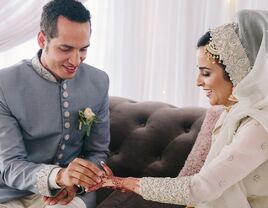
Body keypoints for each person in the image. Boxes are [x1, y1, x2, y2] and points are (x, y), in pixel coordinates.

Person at [93, 9, 268, 208]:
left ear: (238, 73)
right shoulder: (233, 112)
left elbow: (200, 187)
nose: (198, 82)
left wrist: (122, 182)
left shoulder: (259, 124)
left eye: (206, 73)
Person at [0, 0, 110, 207]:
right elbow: (10, 165)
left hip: (67, 195)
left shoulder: (99, 82)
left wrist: (76, 183)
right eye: (66, 49)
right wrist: (59, 176)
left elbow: (98, 152)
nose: (76, 60)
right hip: (7, 193)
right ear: (42, 40)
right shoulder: (4, 84)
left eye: (83, 50)